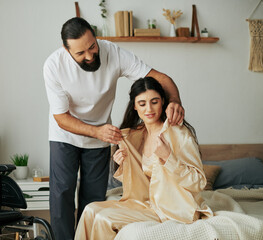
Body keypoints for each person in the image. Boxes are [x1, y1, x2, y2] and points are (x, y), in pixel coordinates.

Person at [43, 17, 185, 240]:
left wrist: (174, 99)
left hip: (100, 138)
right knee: (61, 197)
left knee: (94, 201)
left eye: (92, 47)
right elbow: (61, 117)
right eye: (80, 53)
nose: (90, 56)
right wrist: (96, 131)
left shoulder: (114, 53)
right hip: (65, 136)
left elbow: (158, 78)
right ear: (66, 50)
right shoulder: (53, 65)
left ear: (95, 36)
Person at [74, 77, 213, 240]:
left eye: (154, 102)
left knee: (104, 219)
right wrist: (124, 166)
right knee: (90, 209)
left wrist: (168, 158)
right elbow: (144, 183)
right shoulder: (136, 136)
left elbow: (199, 182)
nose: (149, 109)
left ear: (163, 102)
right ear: (134, 106)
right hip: (146, 204)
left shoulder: (179, 134)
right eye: (142, 104)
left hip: (172, 209)